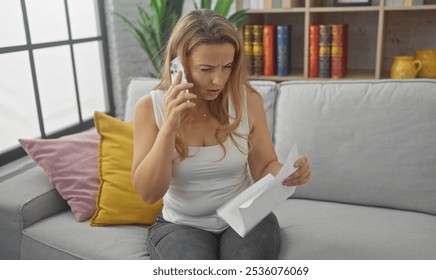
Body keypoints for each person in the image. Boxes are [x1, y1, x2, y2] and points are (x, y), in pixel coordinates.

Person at [131, 9, 311, 260]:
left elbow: (264, 166)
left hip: (245, 216)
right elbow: (149, 194)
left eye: (227, 67)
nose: (219, 80)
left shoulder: (248, 101)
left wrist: (288, 172)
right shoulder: (149, 109)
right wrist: (169, 128)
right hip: (180, 225)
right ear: (178, 66)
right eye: (206, 69)